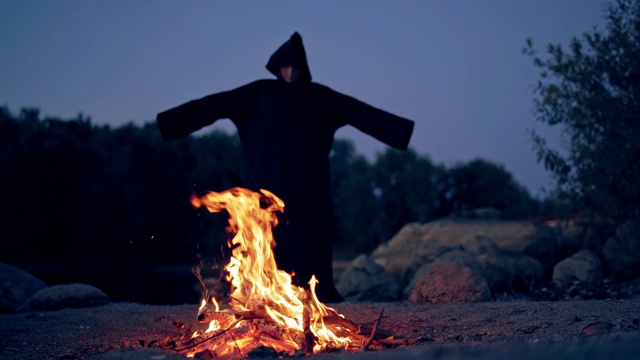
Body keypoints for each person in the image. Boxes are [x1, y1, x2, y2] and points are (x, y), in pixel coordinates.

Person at [157, 32, 414, 303]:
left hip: (310, 188)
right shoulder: (259, 94)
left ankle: (319, 294)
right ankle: (266, 295)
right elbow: (214, 105)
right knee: (271, 241)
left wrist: (401, 132)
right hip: (266, 187)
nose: (290, 71)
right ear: (277, 67)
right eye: (286, 66)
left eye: (296, 66)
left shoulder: (321, 98)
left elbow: (362, 113)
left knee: (311, 238)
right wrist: (171, 123)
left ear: (304, 68)